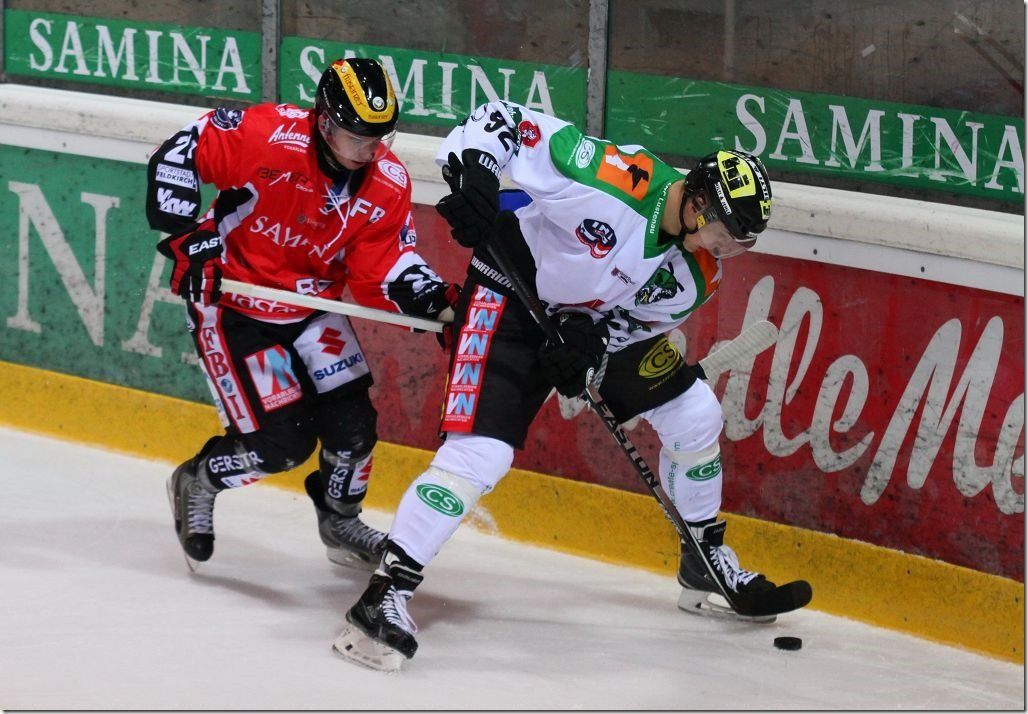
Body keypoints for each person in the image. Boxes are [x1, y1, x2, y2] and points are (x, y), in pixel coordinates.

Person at [335, 99, 787, 670]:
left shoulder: (698, 272)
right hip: (508, 291)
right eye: (728, 235)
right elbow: (506, 119)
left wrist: (589, 345)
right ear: (698, 204)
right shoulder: (614, 179)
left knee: (694, 413)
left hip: (580, 318)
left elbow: (631, 324)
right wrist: (476, 172)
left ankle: (703, 558)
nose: (729, 251)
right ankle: (385, 594)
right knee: (482, 453)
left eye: (743, 243)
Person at [145, 58, 458, 571]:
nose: (370, 150)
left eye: (379, 138)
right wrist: (188, 240)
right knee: (281, 446)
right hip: (236, 307)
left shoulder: (388, 181)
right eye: (357, 137)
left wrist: (437, 301)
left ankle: (340, 521)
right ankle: (197, 480)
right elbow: (182, 152)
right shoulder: (268, 135)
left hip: (313, 309)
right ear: (325, 122)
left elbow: (381, 264)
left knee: (355, 430)